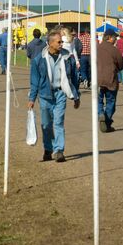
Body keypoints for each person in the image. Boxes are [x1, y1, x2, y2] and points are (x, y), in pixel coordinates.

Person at [28, 30, 80, 162]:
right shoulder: (39, 60)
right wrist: (32, 99)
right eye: (59, 42)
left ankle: (59, 151)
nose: (62, 44)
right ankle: (48, 148)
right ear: (50, 43)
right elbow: (34, 81)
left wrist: (76, 96)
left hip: (60, 93)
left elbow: (74, 77)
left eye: (62, 41)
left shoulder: (68, 58)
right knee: (46, 124)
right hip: (45, 95)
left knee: (58, 122)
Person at [97, 29, 123, 133]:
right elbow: (121, 65)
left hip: (98, 79)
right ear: (108, 37)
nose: (116, 39)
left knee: (98, 100)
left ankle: (100, 114)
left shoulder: (97, 48)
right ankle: (107, 122)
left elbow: (91, 62)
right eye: (114, 37)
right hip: (111, 79)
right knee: (111, 101)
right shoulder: (114, 50)